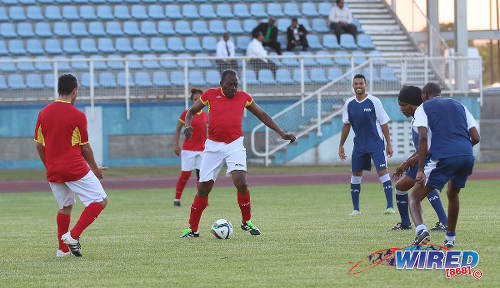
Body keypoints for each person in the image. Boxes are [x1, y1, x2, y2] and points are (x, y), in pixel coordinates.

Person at [180, 70, 296, 238]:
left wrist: (281, 133)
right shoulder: (210, 95)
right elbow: (190, 112)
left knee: (241, 181)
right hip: (213, 145)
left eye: (236, 85)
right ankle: (192, 229)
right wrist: (187, 125)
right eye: (230, 85)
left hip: (234, 144)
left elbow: (262, 115)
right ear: (221, 85)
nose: (233, 88)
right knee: (204, 187)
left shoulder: (244, 97)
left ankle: (246, 221)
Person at [34, 74, 108, 257]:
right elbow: (85, 147)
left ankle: (62, 249)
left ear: (58, 90)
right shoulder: (78, 115)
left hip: (53, 169)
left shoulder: (43, 113)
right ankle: (73, 236)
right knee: (100, 200)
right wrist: (95, 169)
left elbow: (39, 145)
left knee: (65, 207)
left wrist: (49, 165)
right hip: (74, 167)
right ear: (75, 92)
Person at [409, 83, 480, 248]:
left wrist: (420, 169)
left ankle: (421, 231)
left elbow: (423, 138)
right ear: (440, 93)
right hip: (466, 155)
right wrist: (462, 151)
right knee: (452, 194)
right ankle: (450, 239)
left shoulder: (423, 107)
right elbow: (476, 137)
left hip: (443, 156)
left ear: (425, 94)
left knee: (414, 197)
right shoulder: (459, 105)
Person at [391, 86, 448, 231]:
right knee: (401, 186)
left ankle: (444, 221)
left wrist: (410, 161)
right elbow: (421, 149)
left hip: (432, 160)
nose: (402, 109)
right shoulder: (417, 118)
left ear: (412, 105)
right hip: (423, 158)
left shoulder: (424, 117)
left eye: (403, 105)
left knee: (423, 185)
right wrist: (407, 162)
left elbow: (429, 146)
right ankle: (405, 223)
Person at [339, 74, 394, 216]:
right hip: (359, 145)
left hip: (376, 144)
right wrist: (341, 145)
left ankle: (390, 207)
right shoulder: (349, 104)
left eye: (361, 84)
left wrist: (389, 144)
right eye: (356, 84)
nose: (358, 86)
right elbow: (346, 125)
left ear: (366, 85)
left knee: (383, 173)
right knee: (356, 175)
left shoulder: (374, 101)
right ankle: (356, 209)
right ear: (353, 86)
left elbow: (384, 124)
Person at [173, 88, 208, 207]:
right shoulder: (186, 113)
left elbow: (208, 132)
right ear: (191, 100)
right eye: (195, 99)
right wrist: (176, 145)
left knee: (201, 176)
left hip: (202, 150)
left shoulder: (205, 115)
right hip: (188, 150)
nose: (197, 101)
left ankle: (202, 199)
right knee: (185, 175)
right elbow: (178, 129)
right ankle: (177, 199)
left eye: (200, 99)